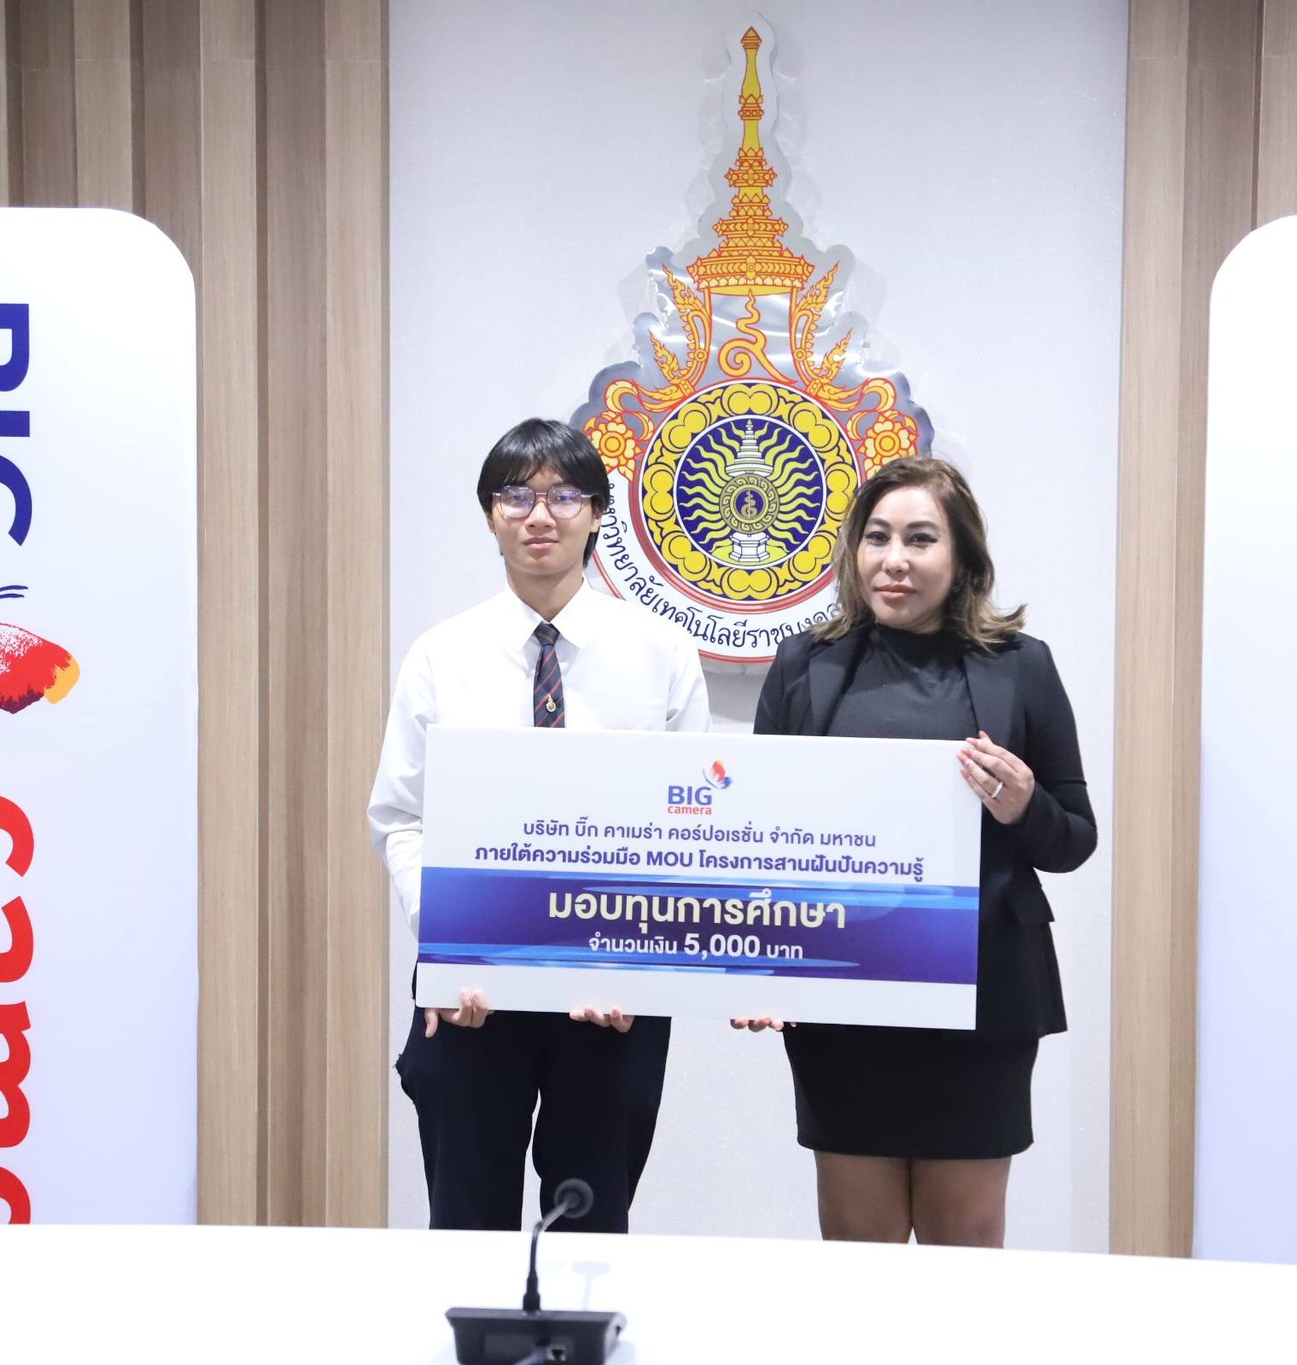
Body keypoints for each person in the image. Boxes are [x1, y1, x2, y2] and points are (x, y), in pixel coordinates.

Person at [742, 456, 1096, 1247]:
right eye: (877, 537)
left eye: (920, 538)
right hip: (844, 1003)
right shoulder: (805, 662)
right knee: (859, 1265)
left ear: (962, 557)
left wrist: (1023, 805)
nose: (893, 559)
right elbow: (761, 838)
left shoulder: (1022, 665)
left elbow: (1075, 837)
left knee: (960, 1268)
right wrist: (762, 967)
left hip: (982, 1003)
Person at [368, 417, 709, 1234]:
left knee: (590, 1222)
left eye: (563, 495)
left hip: (614, 985)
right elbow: (402, 817)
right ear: (490, 515)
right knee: (467, 1221)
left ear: (596, 514)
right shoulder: (441, 654)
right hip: (472, 986)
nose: (539, 515)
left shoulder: (661, 651)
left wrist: (642, 970)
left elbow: (692, 828)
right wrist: (450, 940)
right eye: (516, 496)